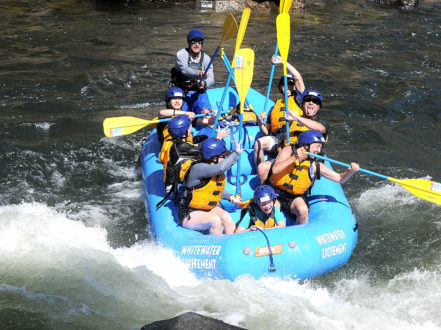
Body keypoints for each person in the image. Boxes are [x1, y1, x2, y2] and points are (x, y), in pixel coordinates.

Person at [269, 130, 359, 225]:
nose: (319, 150)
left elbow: (340, 179)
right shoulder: (288, 151)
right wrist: (294, 157)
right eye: (317, 146)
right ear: (306, 144)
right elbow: (275, 170)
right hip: (276, 192)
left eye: (320, 147)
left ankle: (301, 234)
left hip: (294, 197)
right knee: (272, 210)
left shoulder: (315, 165)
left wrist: (351, 171)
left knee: (303, 209)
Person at [256, 89, 329, 184]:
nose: (311, 103)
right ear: (303, 104)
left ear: (318, 107)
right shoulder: (291, 122)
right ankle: (266, 191)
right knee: (263, 167)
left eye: (315, 102)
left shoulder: (323, 124)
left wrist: (297, 118)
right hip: (290, 158)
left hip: (307, 163)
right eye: (308, 100)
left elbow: (320, 129)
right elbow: (281, 143)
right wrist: (282, 155)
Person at [178, 138, 242, 235]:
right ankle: (219, 246)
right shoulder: (198, 168)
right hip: (189, 213)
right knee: (215, 220)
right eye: (223, 157)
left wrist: (230, 196)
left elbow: (213, 189)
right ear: (214, 158)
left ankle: (233, 243)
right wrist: (236, 154)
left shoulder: (214, 171)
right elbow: (220, 168)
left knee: (226, 216)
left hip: (207, 208)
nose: (224, 159)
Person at [254, 56, 306, 168]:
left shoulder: (300, 100)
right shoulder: (274, 107)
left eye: (291, 84)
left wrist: (283, 62)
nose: (288, 86)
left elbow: (298, 78)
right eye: (285, 84)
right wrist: (260, 122)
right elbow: (266, 132)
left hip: (293, 141)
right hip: (277, 140)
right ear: (281, 87)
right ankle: (260, 170)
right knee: (259, 142)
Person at [172, 29, 215, 116]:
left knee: (206, 112)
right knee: (181, 115)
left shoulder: (206, 59)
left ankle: (203, 118)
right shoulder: (181, 54)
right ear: (189, 42)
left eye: (199, 42)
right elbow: (184, 70)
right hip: (180, 91)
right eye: (194, 42)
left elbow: (211, 78)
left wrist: (204, 83)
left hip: (197, 91)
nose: (197, 44)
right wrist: (199, 74)